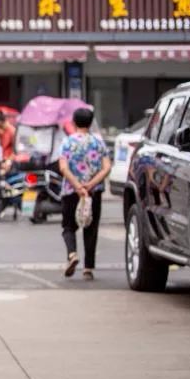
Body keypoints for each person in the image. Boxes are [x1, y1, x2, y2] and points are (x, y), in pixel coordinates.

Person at [58, 107, 111, 280]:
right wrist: (90, 185)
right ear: (90, 123)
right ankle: (88, 268)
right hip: (93, 192)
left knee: (68, 227)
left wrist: (77, 186)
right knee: (91, 229)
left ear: (73, 122)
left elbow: (63, 167)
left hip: (70, 191)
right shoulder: (98, 143)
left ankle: (72, 254)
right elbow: (106, 168)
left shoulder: (67, 142)